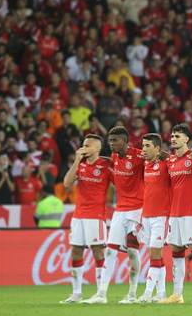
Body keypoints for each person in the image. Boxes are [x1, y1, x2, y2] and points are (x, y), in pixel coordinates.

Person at [86, 126, 145, 304]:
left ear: (125, 141)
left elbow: (154, 158)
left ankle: (132, 294)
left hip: (138, 210)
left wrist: (163, 154)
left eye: (115, 141)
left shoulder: (139, 156)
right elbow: (105, 160)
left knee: (133, 252)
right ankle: (101, 294)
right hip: (120, 211)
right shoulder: (113, 158)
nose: (111, 144)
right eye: (110, 141)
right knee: (111, 251)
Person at [160, 124, 192, 304]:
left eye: (177, 136)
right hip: (174, 213)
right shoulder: (170, 161)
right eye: (172, 136)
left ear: (186, 139)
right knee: (176, 252)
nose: (173, 139)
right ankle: (177, 294)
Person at [60, 135, 113, 304]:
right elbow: (67, 183)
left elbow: (121, 183)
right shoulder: (80, 165)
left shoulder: (105, 166)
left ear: (97, 149)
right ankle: (76, 293)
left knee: (98, 252)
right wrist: (76, 160)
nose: (82, 148)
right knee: (76, 251)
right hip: (78, 215)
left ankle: (100, 294)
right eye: (82, 145)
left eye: (87, 146)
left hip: (96, 215)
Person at [136, 133, 170, 303]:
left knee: (154, 252)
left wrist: (168, 154)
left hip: (161, 216)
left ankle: (148, 292)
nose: (143, 149)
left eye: (147, 146)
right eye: (142, 146)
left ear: (157, 148)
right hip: (147, 215)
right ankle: (161, 293)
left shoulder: (166, 163)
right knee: (155, 255)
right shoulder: (144, 164)